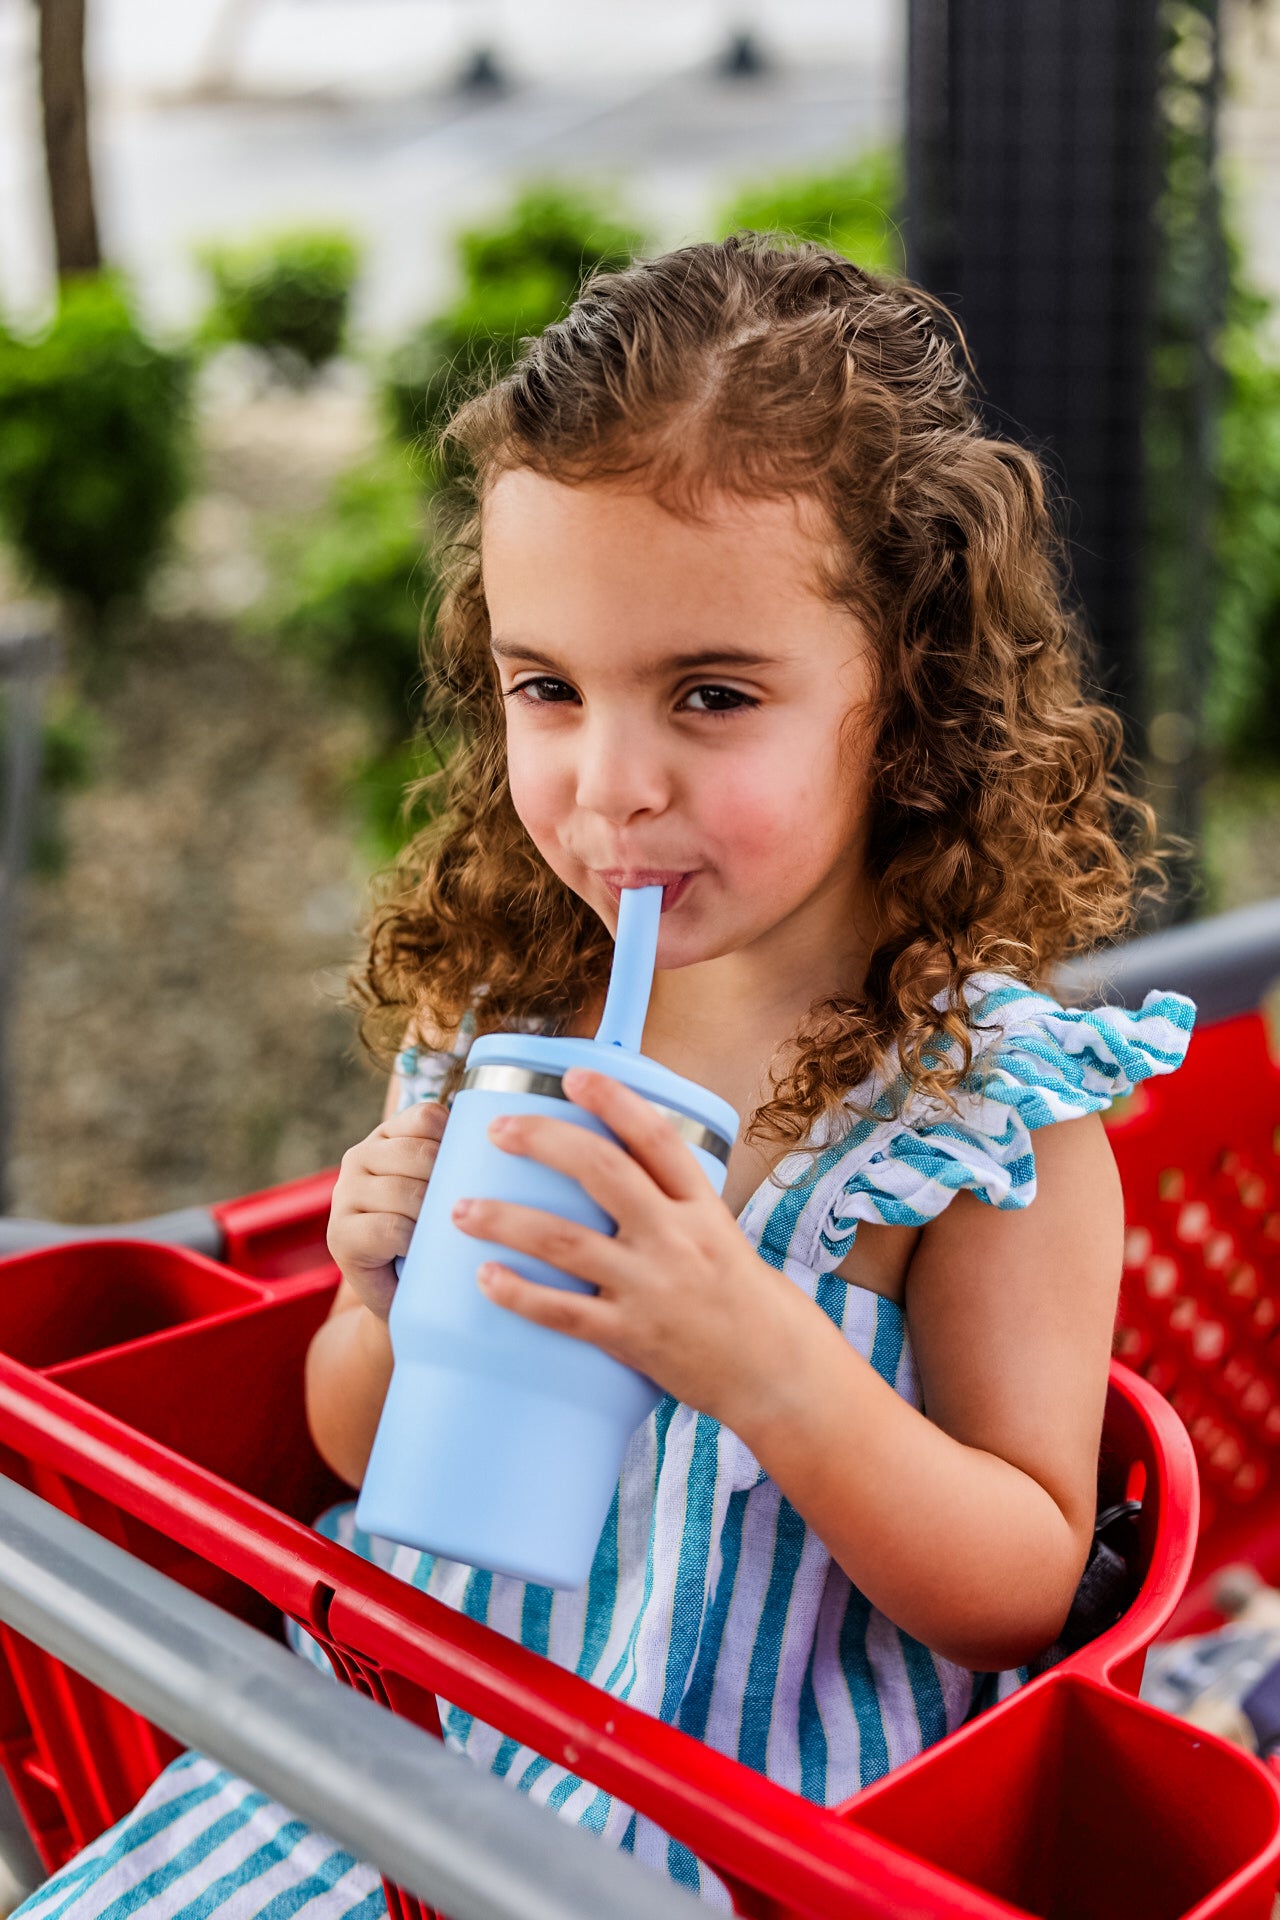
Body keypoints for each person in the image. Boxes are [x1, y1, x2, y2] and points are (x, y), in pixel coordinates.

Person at [16, 236, 1195, 1916]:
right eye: (548, 690)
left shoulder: (979, 1123)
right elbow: (365, 1453)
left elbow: (1023, 1584)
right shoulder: (514, 1017)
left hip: (735, 1835)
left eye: (711, 696)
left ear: (909, 696)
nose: (608, 784)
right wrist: (371, 1297)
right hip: (401, 1749)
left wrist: (764, 1363)